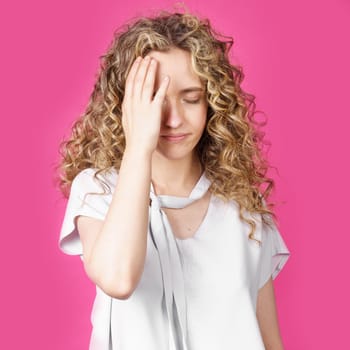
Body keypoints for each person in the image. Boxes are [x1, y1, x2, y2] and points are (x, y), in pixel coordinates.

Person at [57, 10, 290, 350]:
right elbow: (118, 279)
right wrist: (139, 145)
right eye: (154, 101)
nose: (174, 119)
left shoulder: (244, 207)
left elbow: (270, 340)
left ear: (212, 103)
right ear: (126, 106)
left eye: (191, 98)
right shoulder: (99, 190)